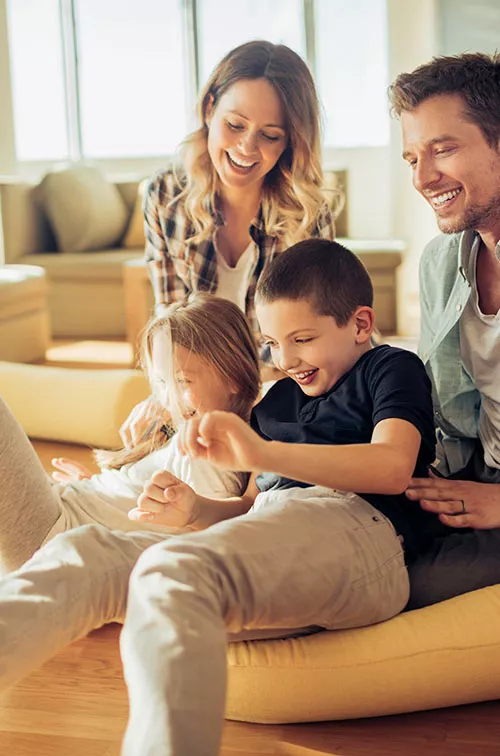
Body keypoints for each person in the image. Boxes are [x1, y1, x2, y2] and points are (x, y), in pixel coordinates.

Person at [120, 39, 338, 447]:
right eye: (235, 125)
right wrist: (165, 392)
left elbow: (315, 345)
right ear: (209, 110)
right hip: (201, 390)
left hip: (285, 387)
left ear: (290, 141)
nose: (246, 148)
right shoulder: (164, 197)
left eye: (270, 136)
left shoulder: (307, 215)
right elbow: (172, 320)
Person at [0, 294, 260, 576]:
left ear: (234, 376)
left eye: (182, 381)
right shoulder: (197, 434)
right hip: (63, 510)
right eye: (161, 381)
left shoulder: (209, 451)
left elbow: (195, 536)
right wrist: (101, 495)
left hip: (51, 535)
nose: (167, 397)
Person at [388, 52, 500, 608]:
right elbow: (438, 405)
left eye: (444, 149)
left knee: (397, 584)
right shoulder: (442, 261)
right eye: (412, 156)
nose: (422, 177)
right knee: (346, 528)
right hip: (466, 472)